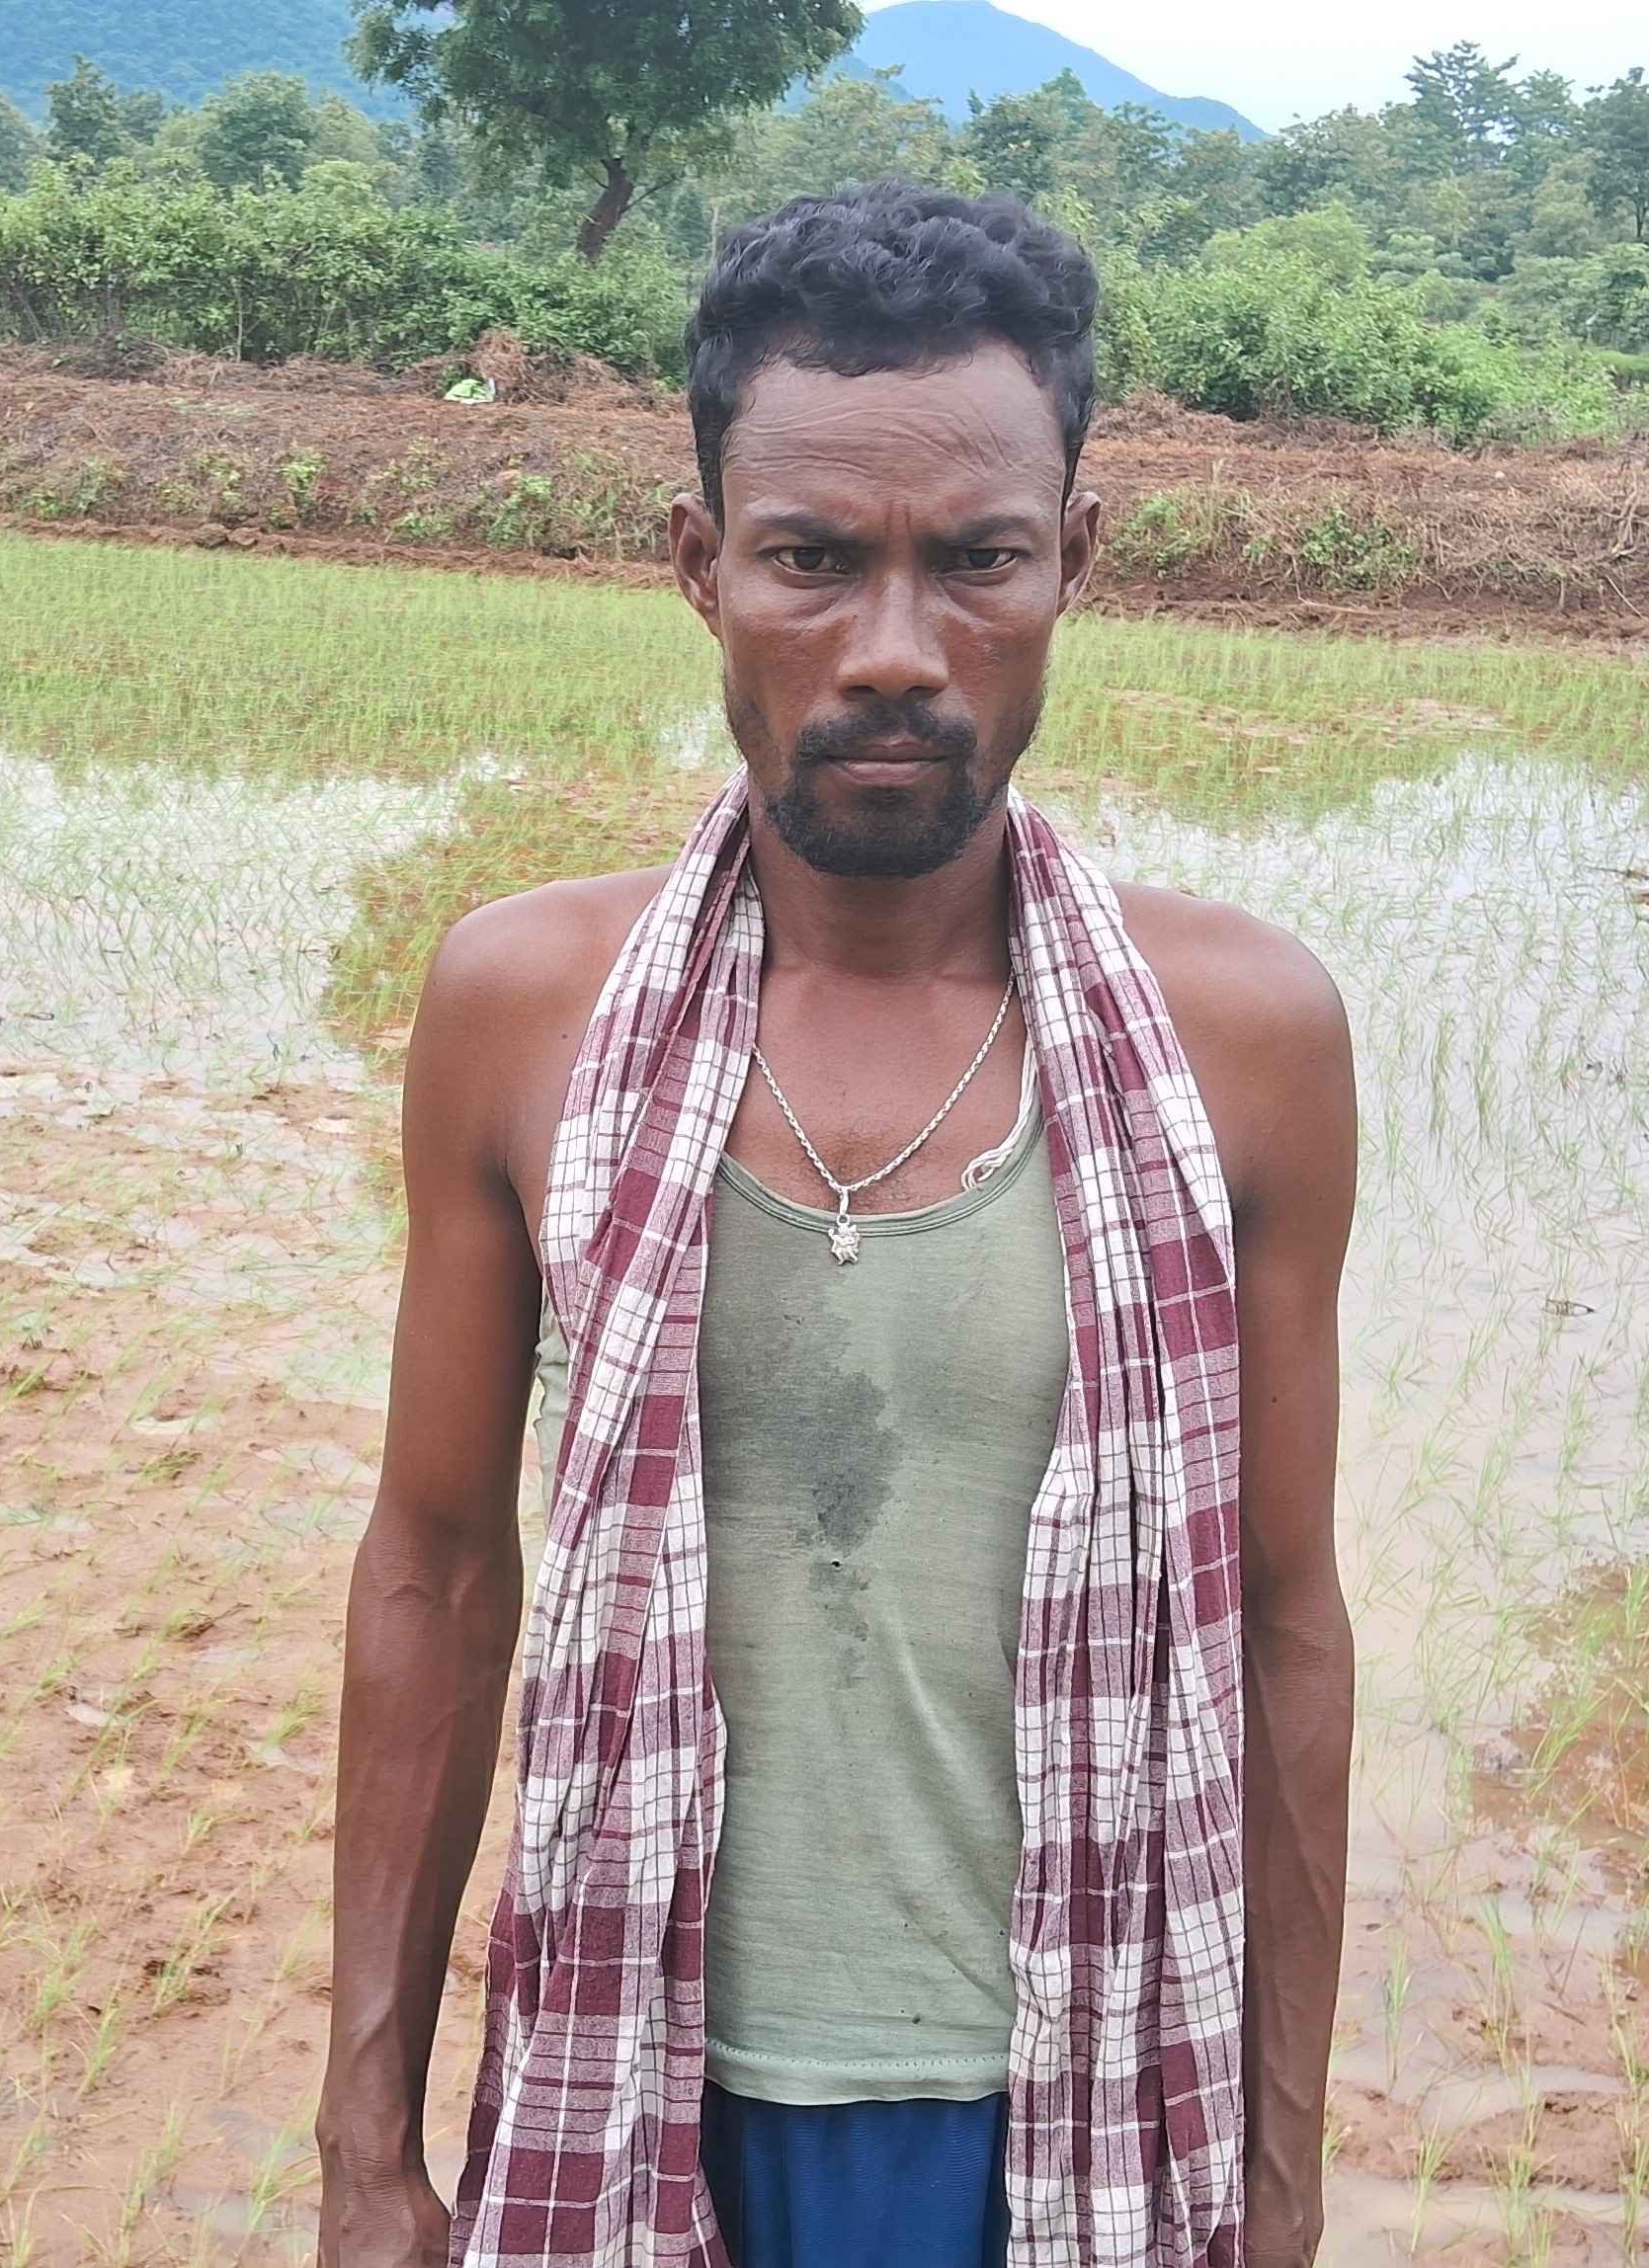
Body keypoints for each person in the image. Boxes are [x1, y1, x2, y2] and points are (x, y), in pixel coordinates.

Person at [317, 183, 1357, 2268]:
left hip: (1070, 2099)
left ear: (1074, 560)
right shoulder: (525, 1007)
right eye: (810, 559)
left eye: (976, 559)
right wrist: (365, 2146)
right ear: (698, 564)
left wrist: (1278, 2166)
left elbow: (1282, 1622)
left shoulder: (1243, 1039)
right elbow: (435, 1569)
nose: (894, 650)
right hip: (633, 2087)